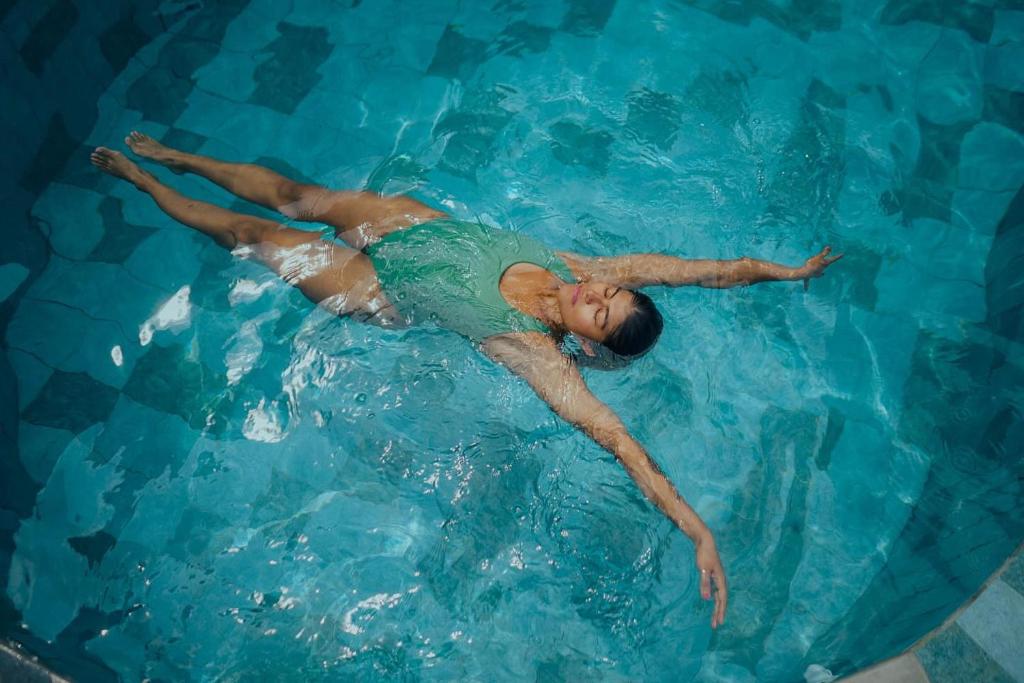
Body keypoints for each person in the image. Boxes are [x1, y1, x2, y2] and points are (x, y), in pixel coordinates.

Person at [91, 132, 843, 630]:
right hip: (413, 227)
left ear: (590, 343)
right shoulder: (585, 270)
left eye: (601, 314)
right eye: (611, 294)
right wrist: (783, 271)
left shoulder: (537, 353)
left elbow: (619, 440)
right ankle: (182, 159)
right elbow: (701, 271)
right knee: (296, 195)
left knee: (255, 235)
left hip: (376, 289)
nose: (595, 296)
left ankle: (147, 184)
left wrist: (697, 529)